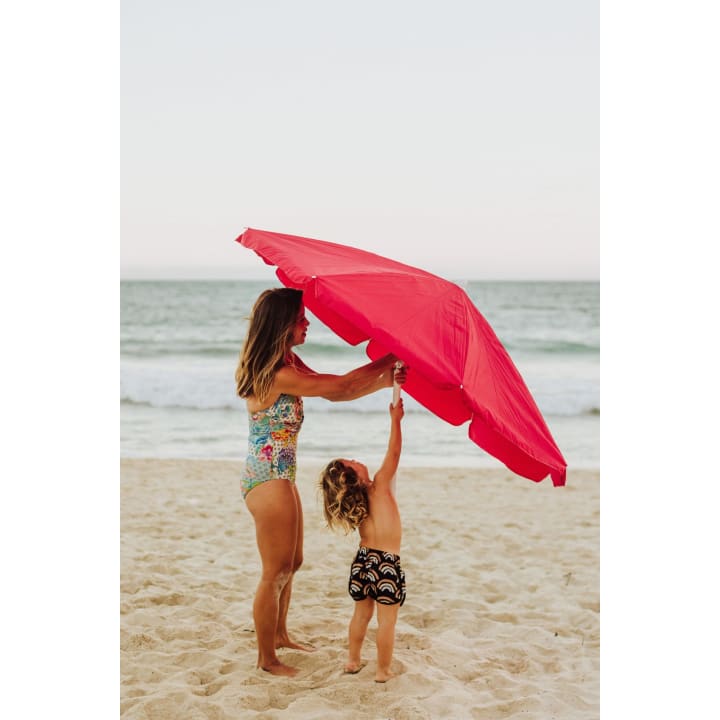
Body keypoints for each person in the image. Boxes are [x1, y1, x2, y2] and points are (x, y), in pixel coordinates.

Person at [235, 287, 406, 678]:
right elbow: (339, 388)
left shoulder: (287, 362)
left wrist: (386, 376)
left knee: (291, 564)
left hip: (280, 474)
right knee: (274, 571)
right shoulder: (277, 374)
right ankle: (267, 659)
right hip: (267, 479)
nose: (307, 323)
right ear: (283, 325)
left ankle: (279, 635)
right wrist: (391, 357)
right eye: (300, 319)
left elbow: (341, 387)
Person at [318, 398, 405, 683]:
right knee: (387, 621)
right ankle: (382, 670)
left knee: (361, 615)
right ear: (353, 477)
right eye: (352, 462)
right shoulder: (379, 487)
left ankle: (353, 660)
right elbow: (393, 453)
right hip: (386, 563)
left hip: (362, 561)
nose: (357, 460)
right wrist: (396, 420)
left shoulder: (357, 505)